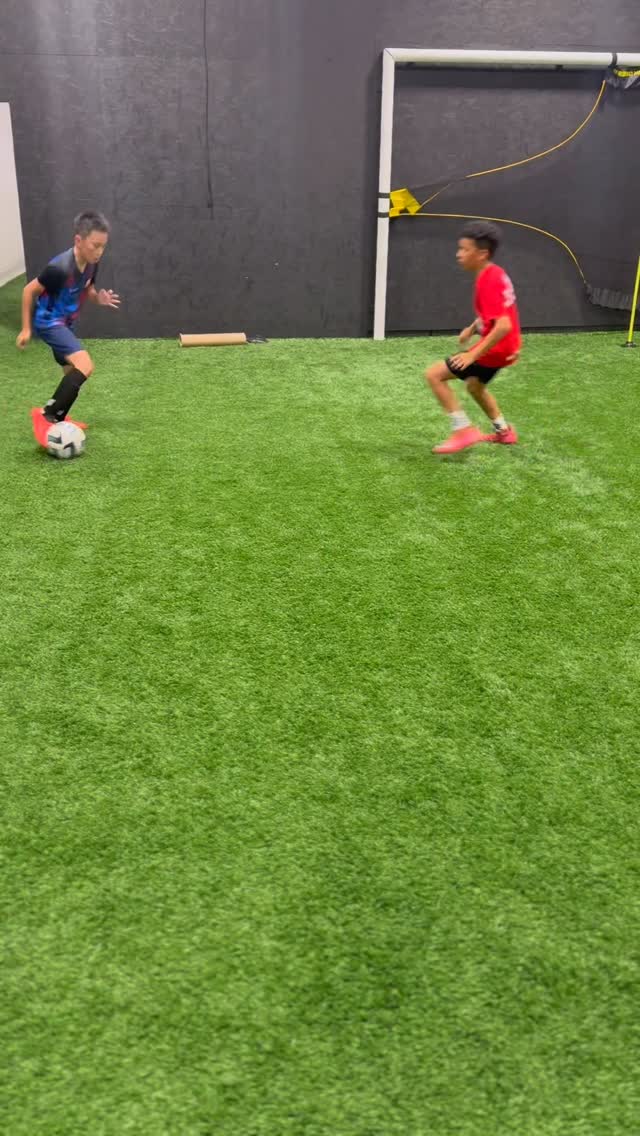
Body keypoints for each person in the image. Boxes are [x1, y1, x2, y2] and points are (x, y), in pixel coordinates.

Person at [16, 210, 120, 442]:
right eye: (95, 246)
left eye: (103, 246)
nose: (99, 252)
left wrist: (98, 298)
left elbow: (88, 289)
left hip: (67, 323)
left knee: (71, 373)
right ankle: (47, 416)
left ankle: (60, 417)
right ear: (78, 240)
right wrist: (26, 329)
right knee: (85, 364)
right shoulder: (60, 268)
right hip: (50, 322)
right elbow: (28, 291)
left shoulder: (92, 263)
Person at [425, 221, 521, 455]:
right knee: (475, 386)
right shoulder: (495, 273)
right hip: (508, 348)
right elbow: (496, 313)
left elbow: (503, 325)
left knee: (434, 375)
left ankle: (463, 430)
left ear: (482, 253)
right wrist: (472, 328)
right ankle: (504, 431)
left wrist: (472, 355)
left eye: (464, 249)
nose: (458, 254)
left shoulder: (488, 281)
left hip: (496, 349)